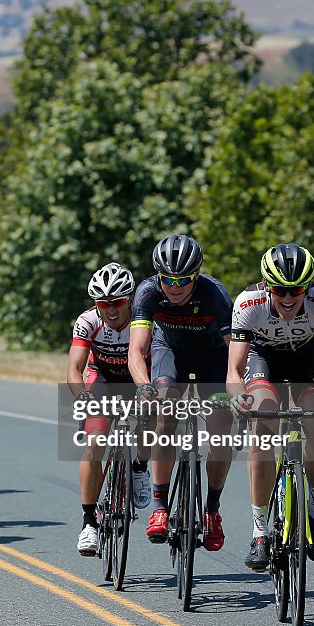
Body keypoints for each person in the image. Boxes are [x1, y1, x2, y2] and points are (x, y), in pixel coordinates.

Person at [228, 243, 314, 570]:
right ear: (266, 286)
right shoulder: (248, 303)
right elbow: (234, 370)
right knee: (263, 426)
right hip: (265, 360)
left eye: (296, 290)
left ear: (308, 287)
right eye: (279, 290)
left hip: (308, 359)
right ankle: (260, 531)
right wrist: (237, 396)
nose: (288, 298)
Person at [127, 234, 236, 552]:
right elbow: (137, 350)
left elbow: (236, 352)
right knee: (165, 412)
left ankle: (212, 510)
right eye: (168, 279)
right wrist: (144, 386)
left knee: (221, 428)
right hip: (169, 353)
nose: (175, 287)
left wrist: (235, 389)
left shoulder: (215, 294)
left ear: (197, 275)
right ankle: (160, 507)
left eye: (184, 279)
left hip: (212, 359)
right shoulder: (147, 292)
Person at [68, 262, 151, 556]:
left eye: (116, 302)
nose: (110, 309)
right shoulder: (88, 321)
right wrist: (83, 397)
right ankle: (89, 521)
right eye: (103, 303)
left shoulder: (144, 321)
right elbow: (74, 371)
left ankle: (140, 467)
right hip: (101, 377)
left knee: (149, 417)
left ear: (128, 299)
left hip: (137, 377)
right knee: (95, 440)